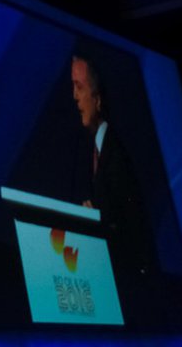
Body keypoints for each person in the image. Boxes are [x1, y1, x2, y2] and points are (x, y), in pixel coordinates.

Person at [70, 55, 151, 276]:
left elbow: (131, 222)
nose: (74, 97)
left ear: (97, 98)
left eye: (79, 87)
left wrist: (96, 219)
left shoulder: (117, 152)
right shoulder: (91, 152)